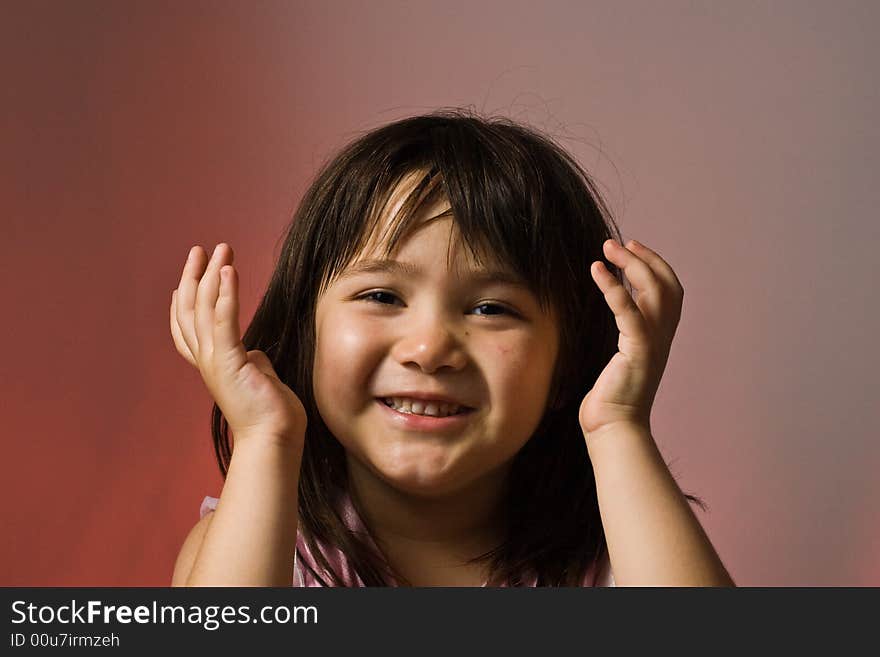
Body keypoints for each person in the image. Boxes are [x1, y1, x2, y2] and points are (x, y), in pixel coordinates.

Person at [169, 109, 735, 587]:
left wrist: (618, 424)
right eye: (382, 295)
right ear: (304, 332)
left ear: (568, 362)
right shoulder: (263, 547)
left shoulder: (626, 547)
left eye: (491, 308)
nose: (429, 348)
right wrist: (264, 437)